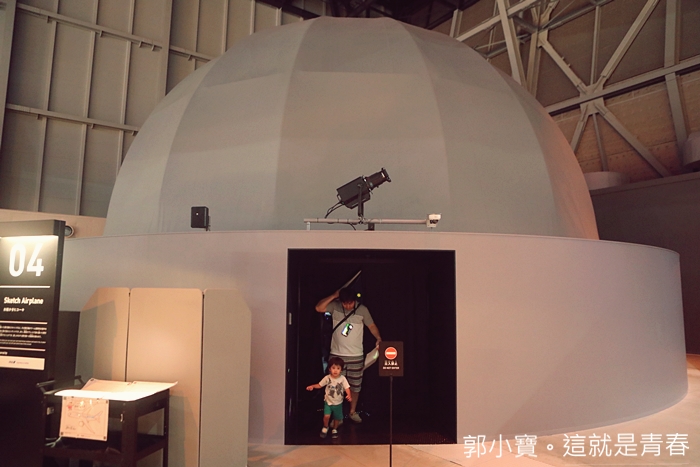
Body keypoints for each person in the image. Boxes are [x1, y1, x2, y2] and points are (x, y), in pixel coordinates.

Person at [315, 287, 382, 423]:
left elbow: (371, 326)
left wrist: (378, 338)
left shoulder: (362, 310)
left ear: (354, 301)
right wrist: (333, 295)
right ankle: (338, 416)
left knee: (355, 386)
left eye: (350, 303)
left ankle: (352, 411)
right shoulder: (335, 306)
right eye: (345, 303)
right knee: (335, 386)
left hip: (356, 355)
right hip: (336, 355)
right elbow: (318, 308)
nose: (347, 306)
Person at [306, 356, 352, 439]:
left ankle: (334, 429)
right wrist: (312, 386)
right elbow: (319, 385)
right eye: (333, 368)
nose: (335, 370)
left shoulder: (342, 379)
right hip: (328, 402)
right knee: (326, 416)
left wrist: (349, 395)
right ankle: (325, 426)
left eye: (338, 368)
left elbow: (347, 388)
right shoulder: (327, 378)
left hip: (338, 403)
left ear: (341, 370)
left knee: (337, 418)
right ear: (329, 369)